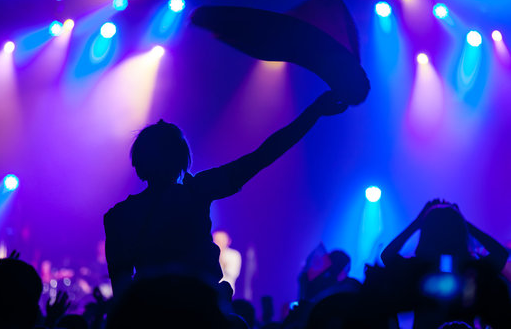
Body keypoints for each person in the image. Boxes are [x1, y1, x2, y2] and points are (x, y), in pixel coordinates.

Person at [104, 91, 348, 298]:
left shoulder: (117, 217)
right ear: (182, 159)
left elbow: (122, 289)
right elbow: (263, 156)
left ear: (138, 163)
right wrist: (313, 112)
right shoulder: (197, 190)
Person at [380, 199, 510, 328]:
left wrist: (417, 223)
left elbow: (387, 256)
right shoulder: (470, 268)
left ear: (427, 234)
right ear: (460, 232)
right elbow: (500, 255)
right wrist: (465, 224)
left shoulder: (418, 268)